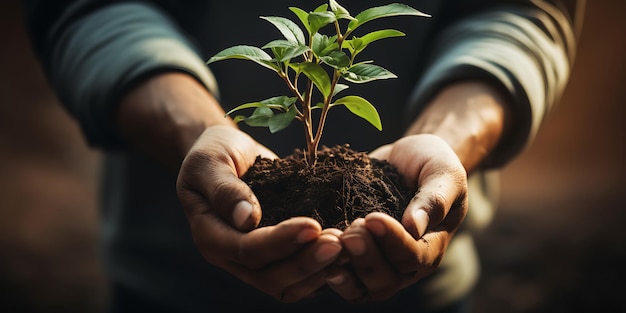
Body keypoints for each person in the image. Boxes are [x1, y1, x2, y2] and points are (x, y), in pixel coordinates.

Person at [23, 0, 584, 312]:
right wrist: (198, 129)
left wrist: (449, 139)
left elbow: (524, 11)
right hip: (174, 288)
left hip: (421, 296)